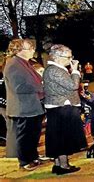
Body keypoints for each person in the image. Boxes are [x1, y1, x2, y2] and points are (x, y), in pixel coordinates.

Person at [43, 44, 86, 175]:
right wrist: (75, 71)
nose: (70, 59)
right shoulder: (55, 70)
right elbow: (73, 85)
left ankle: (58, 165)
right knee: (62, 137)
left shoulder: (56, 69)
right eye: (68, 57)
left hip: (59, 107)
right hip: (61, 107)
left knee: (58, 137)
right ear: (58, 57)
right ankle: (63, 165)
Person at [4, 39, 44, 171]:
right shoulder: (13, 65)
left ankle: (33, 157)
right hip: (23, 107)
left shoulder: (25, 63)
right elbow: (19, 87)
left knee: (33, 135)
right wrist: (41, 87)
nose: (33, 50)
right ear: (19, 50)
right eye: (30, 48)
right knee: (25, 136)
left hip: (33, 106)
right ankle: (25, 161)